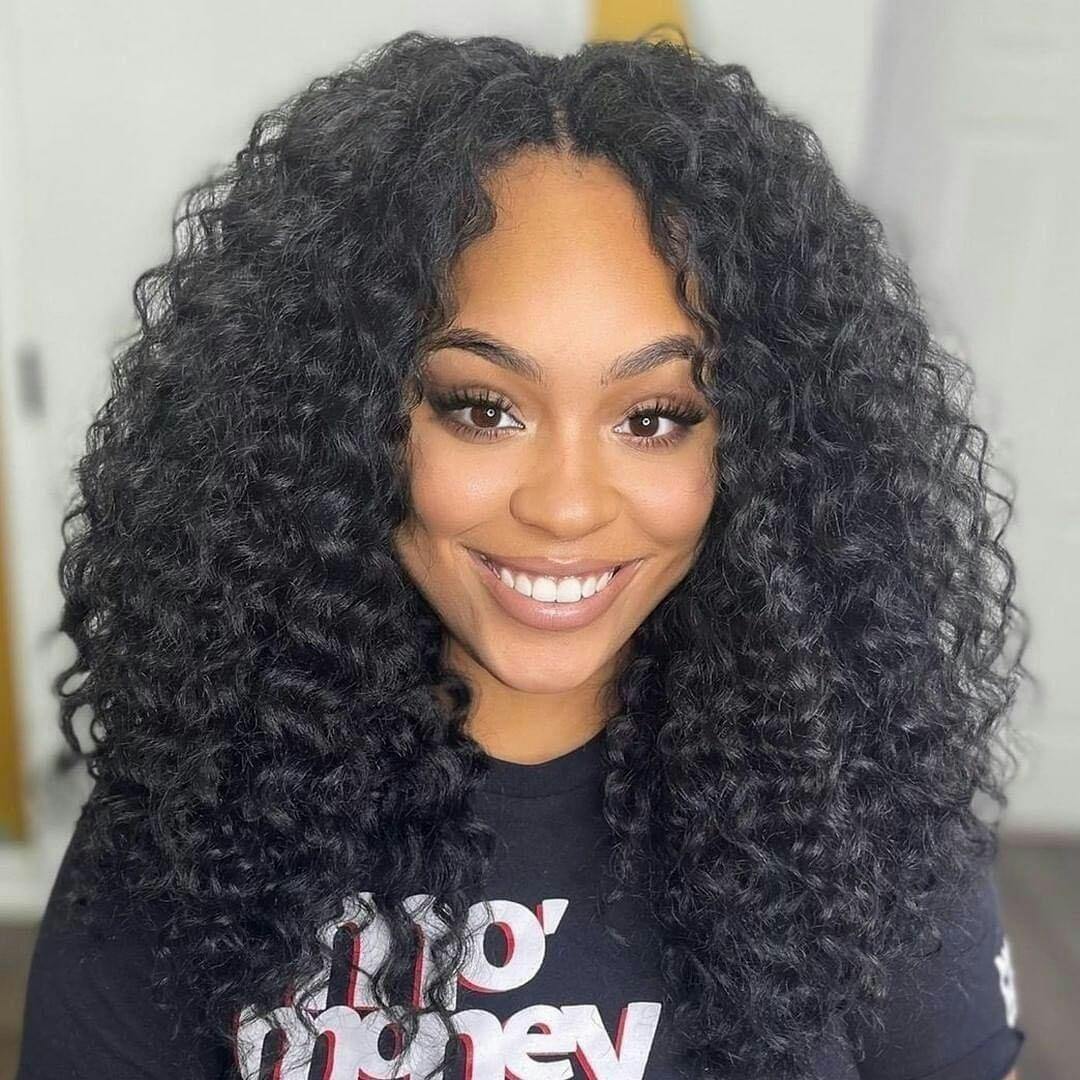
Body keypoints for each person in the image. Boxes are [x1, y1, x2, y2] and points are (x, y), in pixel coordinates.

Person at [16, 29, 1028, 1080]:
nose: (566, 506)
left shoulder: (859, 804)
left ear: (763, 451)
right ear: (334, 423)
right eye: (482, 408)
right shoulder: (195, 810)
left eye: (654, 418)